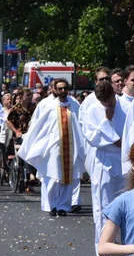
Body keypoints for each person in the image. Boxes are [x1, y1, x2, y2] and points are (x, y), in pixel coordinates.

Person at [17, 84, 88, 216]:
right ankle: (51, 205)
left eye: (65, 88)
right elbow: (40, 126)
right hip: (53, 147)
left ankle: (63, 206)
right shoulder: (49, 106)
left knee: (68, 179)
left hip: (71, 147)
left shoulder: (74, 105)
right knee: (53, 177)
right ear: (55, 90)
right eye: (60, 88)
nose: (63, 91)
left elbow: (82, 123)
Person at [82, 81, 128, 248]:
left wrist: (125, 143)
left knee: (125, 201)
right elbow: (91, 137)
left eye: (109, 100)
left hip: (124, 159)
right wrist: (107, 125)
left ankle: (125, 242)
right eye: (104, 102)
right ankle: (104, 245)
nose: (108, 105)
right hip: (105, 159)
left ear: (114, 93)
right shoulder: (93, 110)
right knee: (105, 203)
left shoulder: (125, 106)